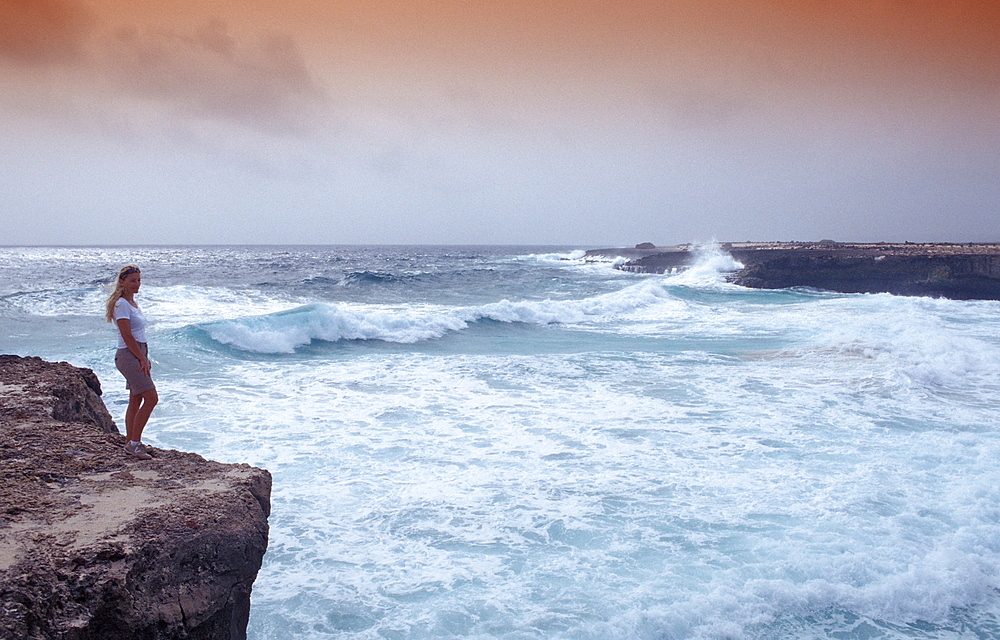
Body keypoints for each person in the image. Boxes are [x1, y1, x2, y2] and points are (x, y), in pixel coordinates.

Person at [105, 264, 158, 460]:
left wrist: (144, 355)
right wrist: (142, 358)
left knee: (136, 398)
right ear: (122, 282)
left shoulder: (132, 303)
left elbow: (137, 334)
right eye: (132, 280)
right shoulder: (121, 304)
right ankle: (134, 445)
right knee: (151, 398)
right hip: (129, 354)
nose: (137, 284)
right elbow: (127, 336)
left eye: (139, 280)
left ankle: (131, 441)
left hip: (137, 351)